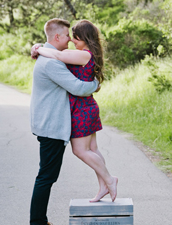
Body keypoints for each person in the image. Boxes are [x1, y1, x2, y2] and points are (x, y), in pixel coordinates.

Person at [27, 18, 101, 225]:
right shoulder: (51, 62)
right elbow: (78, 88)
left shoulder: (47, 55)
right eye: (67, 35)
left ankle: (40, 221)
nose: (70, 39)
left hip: (51, 125)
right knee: (46, 176)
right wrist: (96, 85)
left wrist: (37, 47)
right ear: (57, 37)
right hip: (51, 127)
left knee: (47, 175)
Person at [33, 19, 118, 203]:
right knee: (92, 149)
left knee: (80, 151)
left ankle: (110, 180)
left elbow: (57, 56)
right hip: (85, 107)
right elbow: (58, 54)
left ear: (84, 38)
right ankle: (103, 185)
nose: (71, 40)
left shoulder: (83, 55)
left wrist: (38, 49)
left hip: (81, 109)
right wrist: (37, 46)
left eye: (75, 37)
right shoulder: (83, 53)